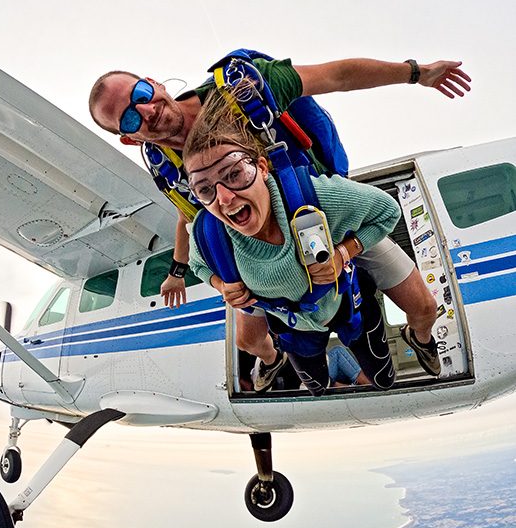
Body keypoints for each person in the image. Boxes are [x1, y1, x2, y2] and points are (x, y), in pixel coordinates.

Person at [89, 56, 471, 385]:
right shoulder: (166, 167)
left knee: (424, 307)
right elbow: (192, 216)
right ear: (127, 138)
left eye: (140, 95)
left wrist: (417, 72)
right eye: (126, 118)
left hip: (328, 219)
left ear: (153, 83)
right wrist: (202, 275)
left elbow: (336, 76)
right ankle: (273, 359)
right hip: (254, 244)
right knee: (249, 340)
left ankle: (420, 337)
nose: (145, 111)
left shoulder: (245, 89)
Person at [181, 85, 400, 396]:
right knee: (317, 390)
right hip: (293, 327)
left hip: (346, 304)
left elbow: (387, 212)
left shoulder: (317, 195)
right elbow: (197, 265)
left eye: (234, 174)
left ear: (261, 166)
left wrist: (343, 253)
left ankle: (415, 336)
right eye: (204, 189)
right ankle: (277, 359)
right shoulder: (209, 232)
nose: (225, 198)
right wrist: (221, 286)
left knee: (383, 380)